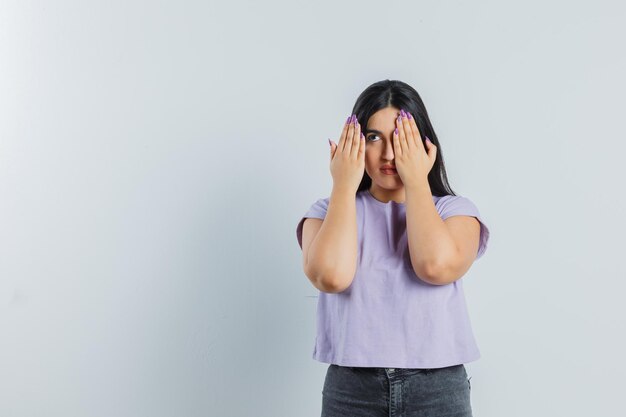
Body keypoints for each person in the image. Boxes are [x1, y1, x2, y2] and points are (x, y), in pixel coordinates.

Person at [295, 79, 490, 417]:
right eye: (373, 137)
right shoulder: (326, 213)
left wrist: (416, 180)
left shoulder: (454, 212)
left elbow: (435, 266)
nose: (388, 154)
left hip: (437, 389)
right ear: (353, 142)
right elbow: (331, 276)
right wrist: (343, 184)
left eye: (401, 137)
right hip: (352, 389)